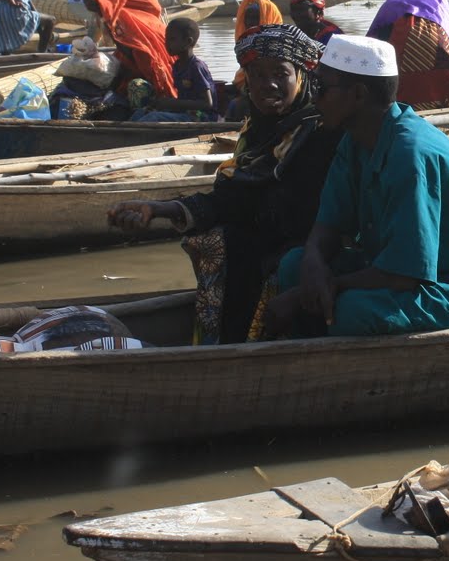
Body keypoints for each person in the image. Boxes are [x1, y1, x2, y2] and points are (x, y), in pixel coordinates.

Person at [262, 34, 449, 337]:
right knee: (295, 265)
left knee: (353, 310)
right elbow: (328, 224)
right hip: (410, 274)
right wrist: (313, 262)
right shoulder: (355, 140)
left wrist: (316, 290)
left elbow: (403, 274)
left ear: (358, 95)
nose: (314, 97)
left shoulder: (410, 154)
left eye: (322, 88)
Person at [108, 24, 343, 343]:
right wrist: (158, 209)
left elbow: (320, 217)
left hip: (311, 256)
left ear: (301, 76)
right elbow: (230, 200)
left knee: (260, 255)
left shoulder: (321, 133)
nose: (267, 84)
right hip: (262, 247)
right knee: (217, 241)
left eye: (280, 73)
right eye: (257, 75)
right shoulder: (256, 132)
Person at [81, 0, 176, 99]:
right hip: (137, 72)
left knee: (135, 87)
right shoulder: (141, 23)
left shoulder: (134, 32)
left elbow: (151, 71)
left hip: (155, 87)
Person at [131, 17, 217, 121]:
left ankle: (132, 135)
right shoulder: (177, 66)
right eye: (166, 39)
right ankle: (124, 133)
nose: (166, 44)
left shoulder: (196, 67)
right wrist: (167, 103)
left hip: (201, 116)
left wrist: (173, 103)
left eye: (172, 39)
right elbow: (183, 99)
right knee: (143, 111)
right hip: (185, 112)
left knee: (153, 117)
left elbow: (207, 103)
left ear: (188, 42)